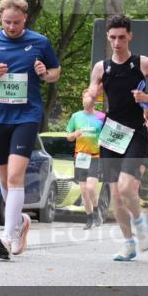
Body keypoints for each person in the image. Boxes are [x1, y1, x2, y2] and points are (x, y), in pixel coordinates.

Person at [0, 0, 60, 260]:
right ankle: (19, 224)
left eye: (16, 23)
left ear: (25, 19)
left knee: (16, 176)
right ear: (1, 18)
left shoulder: (39, 42)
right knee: (6, 179)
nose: (11, 27)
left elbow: (55, 72)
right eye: (7, 22)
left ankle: (6, 238)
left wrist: (44, 73)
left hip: (27, 116)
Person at [86, 14, 148, 262]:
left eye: (121, 37)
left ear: (130, 36)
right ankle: (129, 243)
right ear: (108, 38)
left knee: (128, 188)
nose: (117, 42)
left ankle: (140, 223)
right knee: (116, 195)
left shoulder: (143, 63)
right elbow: (89, 98)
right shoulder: (101, 67)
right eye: (112, 37)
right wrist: (91, 94)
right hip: (111, 134)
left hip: (136, 133)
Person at [65, 89, 105, 230]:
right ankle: (89, 218)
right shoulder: (76, 117)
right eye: (84, 98)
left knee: (91, 188)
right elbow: (68, 136)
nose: (85, 101)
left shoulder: (101, 117)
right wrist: (74, 134)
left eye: (88, 98)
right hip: (80, 157)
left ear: (93, 101)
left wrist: (102, 142)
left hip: (95, 157)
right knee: (83, 190)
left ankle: (96, 210)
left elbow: (108, 136)